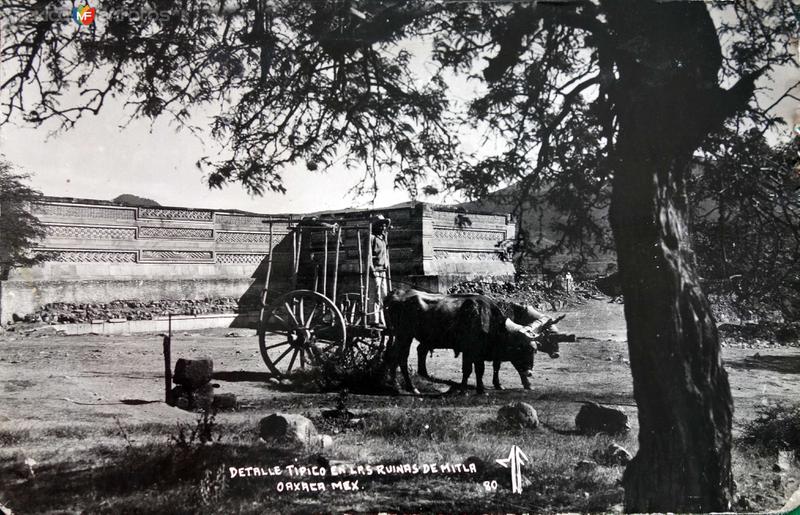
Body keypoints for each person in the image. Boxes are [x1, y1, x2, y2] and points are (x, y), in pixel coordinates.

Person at [369, 215, 391, 327]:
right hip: (375, 271)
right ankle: (374, 320)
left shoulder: (383, 238)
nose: (383, 227)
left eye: (384, 225)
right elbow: (367, 256)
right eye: (381, 225)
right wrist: (371, 269)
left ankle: (383, 320)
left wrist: (386, 263)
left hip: (383, 271)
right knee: (375, 295)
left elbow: (385, 254)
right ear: (376, 226)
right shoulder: (371, 238)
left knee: (384, 296)